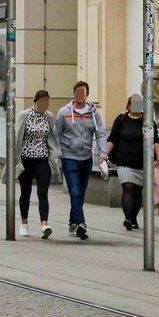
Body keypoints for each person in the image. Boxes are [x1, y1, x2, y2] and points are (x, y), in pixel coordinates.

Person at [54, 80, 110, 240]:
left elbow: (100, 134)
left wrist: (103, 154)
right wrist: (58, 154)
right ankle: (82, 223)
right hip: (69, 157)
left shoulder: (94, 113)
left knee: (81, 193)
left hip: (86, 158)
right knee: (75, 191)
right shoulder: (64, 112)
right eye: (77, 91)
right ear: (74, 93)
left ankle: (73, 222)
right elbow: (57, 134)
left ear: (87, 94)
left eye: (83, 92)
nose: (80, 94)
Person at [3, 89, 62, 238]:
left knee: (43, 193)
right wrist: (13, 160)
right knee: (26, 192)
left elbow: (52, 138)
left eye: (47, 102)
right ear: (35, 102)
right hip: (26, 160)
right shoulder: (25, 115)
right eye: (41, 102)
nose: (44, 105)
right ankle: (24, 222)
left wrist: (55, 155)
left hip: (42, 160)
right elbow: (17, 137)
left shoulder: (49, 117)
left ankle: (44, 225)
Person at [107, 94, 159, 230]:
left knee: (138, 191)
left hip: (143, 162)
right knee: (128, 188)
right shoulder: (121, 120)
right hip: (124, 161)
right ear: (128, 106)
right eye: (134, 103)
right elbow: (112, 139)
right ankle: (127, 218)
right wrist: (105, 153)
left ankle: (133, 218)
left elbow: (155, 141)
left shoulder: (148, 122)